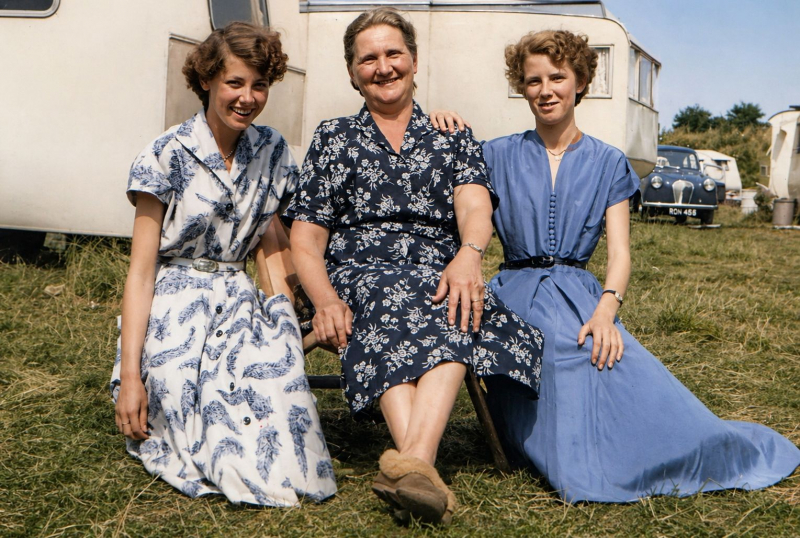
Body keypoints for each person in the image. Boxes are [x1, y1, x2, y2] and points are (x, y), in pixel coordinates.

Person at [479, 29, 800, 503]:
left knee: (623, 366)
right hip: (515, 293)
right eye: (533, 80)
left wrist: (607, 310)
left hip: (580, 294)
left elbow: (621, 253)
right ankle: (575, 463)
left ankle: (694, 445)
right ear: (521, 87)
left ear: (580, 81)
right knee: (564, 358)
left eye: (557, 77)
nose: (545, 90)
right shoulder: (494, 154)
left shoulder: (609, 161)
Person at [283, 7, 543, 524]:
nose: (383, 67)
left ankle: (412, 468)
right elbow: (305, 239)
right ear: (353, 72)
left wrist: (468, 256)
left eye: (393, 53)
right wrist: (327, 300)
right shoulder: (334, 137)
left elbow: (475, 207)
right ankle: (421, 468)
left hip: (440, 273)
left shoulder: (453, 136)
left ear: (415, 60)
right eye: (368, 59)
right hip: (357, 275)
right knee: (406, 300)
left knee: (456, 298)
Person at [110, 22, 337, 506]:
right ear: (207, 79)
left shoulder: (273, 150)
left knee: (270, 391)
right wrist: (130, 378)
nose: (247, 98)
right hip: (174, 301)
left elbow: (278, 238)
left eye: (260, 85)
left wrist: (290, 315)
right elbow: (141, 273)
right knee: (180, 397)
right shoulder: (166, 153)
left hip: (237, 296)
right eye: (235, 82)